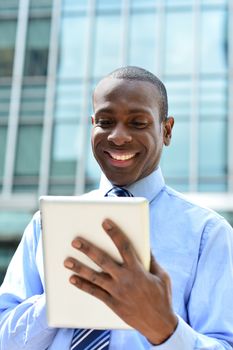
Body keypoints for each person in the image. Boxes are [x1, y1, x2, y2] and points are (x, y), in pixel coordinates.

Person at [0, 66, 233, 350]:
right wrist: (66, 296)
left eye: (138, 123)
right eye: (105, 121)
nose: (118, 137)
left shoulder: (207, 234)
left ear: (167, 130)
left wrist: (164, 327)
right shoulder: (44, 224)